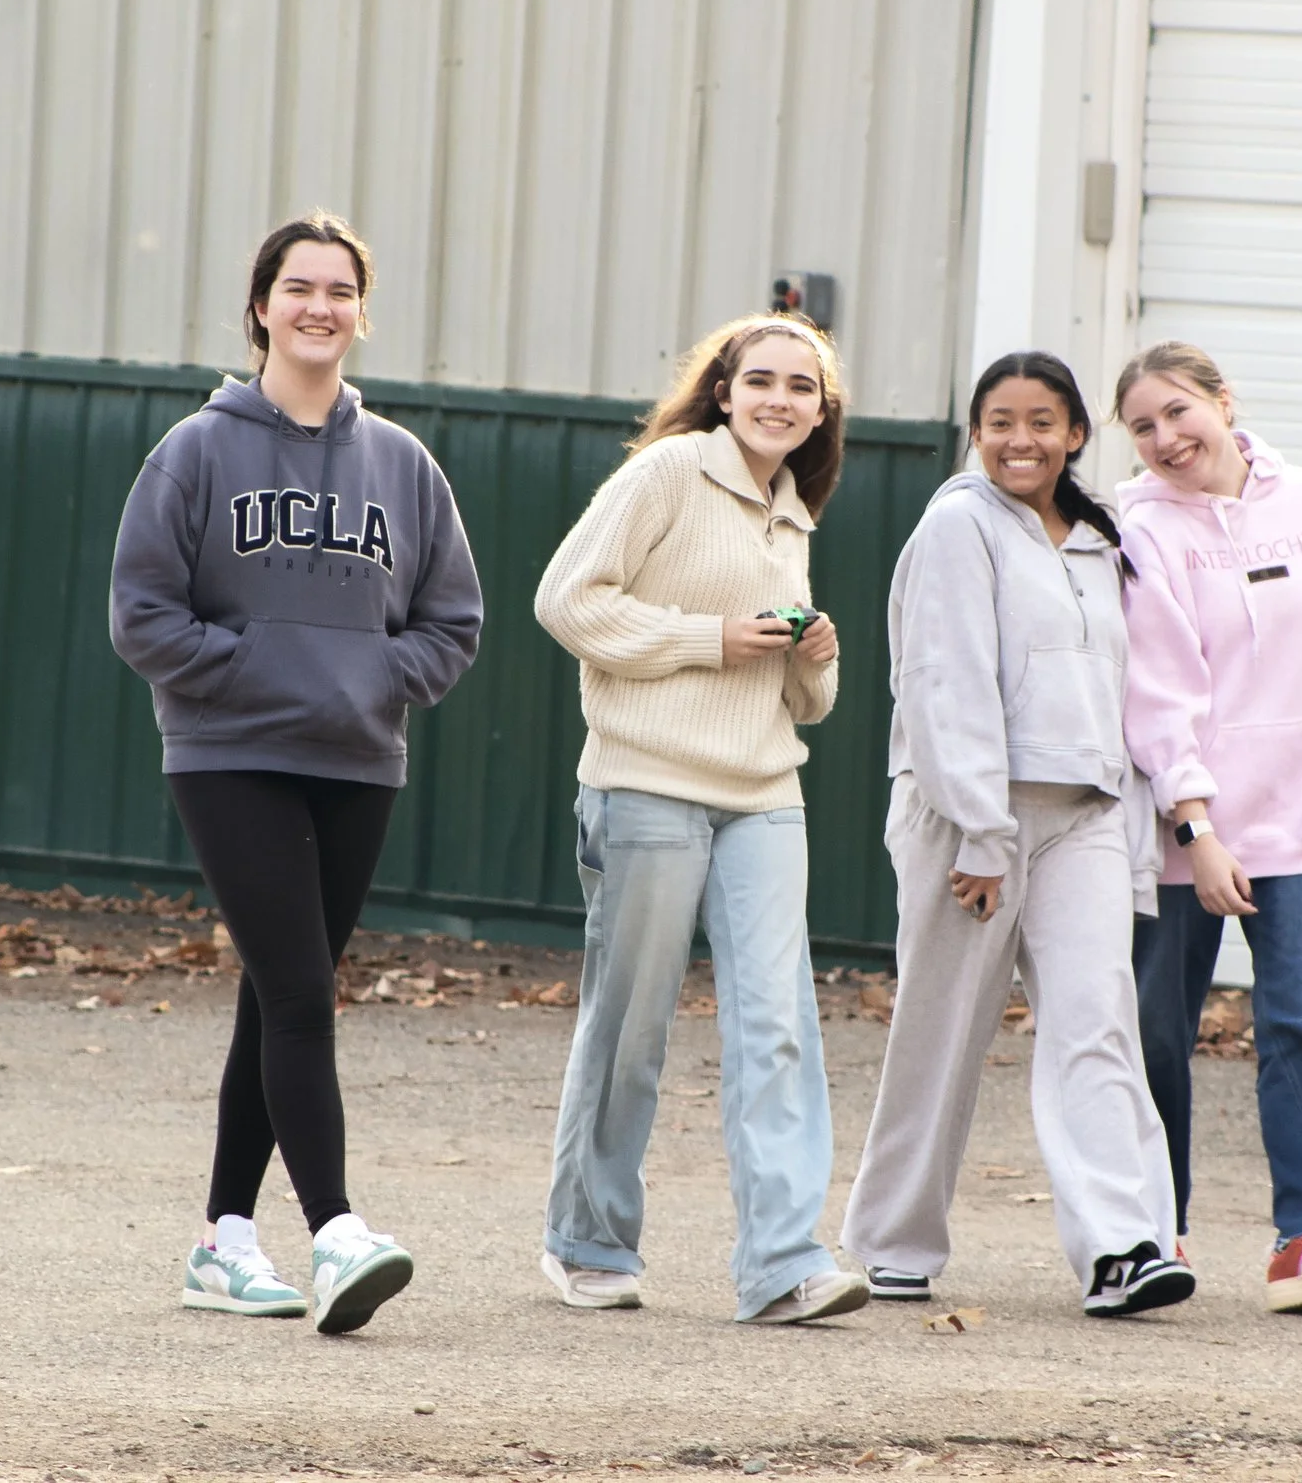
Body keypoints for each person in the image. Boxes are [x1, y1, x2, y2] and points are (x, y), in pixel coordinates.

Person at [109, 212, 483, 1333]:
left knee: (272, 996)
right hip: (230, 752)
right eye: (297, 286)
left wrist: (369, 681)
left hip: (358, 758)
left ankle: (224, 1238)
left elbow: (452, 621)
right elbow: (141, 614)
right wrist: (251, 671)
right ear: (261, 305)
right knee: (301, 993)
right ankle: (335, 1230)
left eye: (339, 289)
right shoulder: (196, 449)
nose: (318, 306)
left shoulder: (402, 464)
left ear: (360, 313)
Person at [531, 313, 868, 1325]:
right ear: (722, 391)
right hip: (645, 781)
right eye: (759, 380)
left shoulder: (791, 507)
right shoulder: (668, 474)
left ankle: (782, 1262)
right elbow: (566, 600)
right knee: (631, 1022)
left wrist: (813, 660)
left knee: (776, 1028)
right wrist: (707, 638)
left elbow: (807, 702)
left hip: (763, 791)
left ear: (820, 410)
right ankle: (587, 1240)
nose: (779, 399)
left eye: (800, 388)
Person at [841, 352, 1190, 1319]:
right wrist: (982, 832)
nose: (1020, 439)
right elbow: (944, 683)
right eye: (1001, 420)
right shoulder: (958, 525)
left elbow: (1115, 698)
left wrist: (1129, 834)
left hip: (1081, 815)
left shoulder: (1098, 537)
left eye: (1042, 421)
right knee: (942, 1031)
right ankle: (894, 1242)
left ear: (1077, 432)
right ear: (975, 429)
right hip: (967, 818)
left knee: (1098, 1024)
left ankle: (1125, 1246)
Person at [1112, 339, 1302, 1315]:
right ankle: (1146, 1223)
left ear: (1224, 403)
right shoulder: (1137, 524)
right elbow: (1156, 687)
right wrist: (1195, 825)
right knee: (1155, 1025)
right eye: (1142, 426)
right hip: (1183, 825)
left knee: (1297, 1017)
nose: (1164, 438)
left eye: (1177, 412)